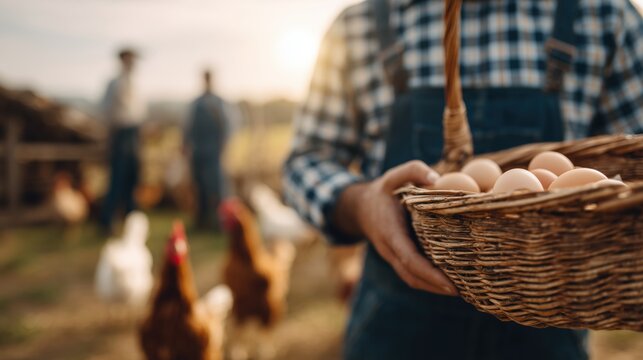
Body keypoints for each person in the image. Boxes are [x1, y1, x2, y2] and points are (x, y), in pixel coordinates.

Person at [284, 0, 643, 359]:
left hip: (548, 324)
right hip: (400, 327)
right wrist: (361, 203)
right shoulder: (359, 25)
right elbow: (305, 162)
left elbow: (630, 163)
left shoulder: (602, 16)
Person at [100, 47, 146, 233]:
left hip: (134, 132)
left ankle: (131, 218)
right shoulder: (114, 83)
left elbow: (139, 111)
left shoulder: (135, 84)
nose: (132, 63)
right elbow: (106, 109)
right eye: (129, 60)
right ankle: (107, 218)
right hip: (120, 133)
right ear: (122, 61)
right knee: (117, 177)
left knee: (132, 176)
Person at [184, 70, 230, 229]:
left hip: (213, 151)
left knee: (216, 187)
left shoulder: (219, 103)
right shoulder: (197, 103)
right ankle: (201, 221)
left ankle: (220, 222)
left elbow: (227, 126)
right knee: (199, 187)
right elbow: (188, 126)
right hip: (198, 151)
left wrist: (224, 145)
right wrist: (185, 144)